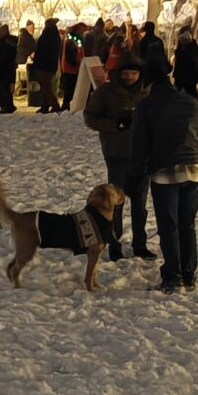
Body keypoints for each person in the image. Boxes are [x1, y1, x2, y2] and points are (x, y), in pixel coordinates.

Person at [131, 58, 198, 293]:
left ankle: (173, 276)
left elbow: (139, 144)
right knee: (188, 223)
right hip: (195, 168)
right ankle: (189, 274)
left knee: (169, 225)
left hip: (165, 170)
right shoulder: (191, 102)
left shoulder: (146, 106)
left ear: (148, 82)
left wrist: (135, 175)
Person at [82, 53, 152, 261]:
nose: (130, 77)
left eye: (134, 73)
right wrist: (113, 126)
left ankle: (140, 243)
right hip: (117, 152)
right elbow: (90, 116)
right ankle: (114, 243)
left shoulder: (147, 92)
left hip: (142, 154)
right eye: (126, 73)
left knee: (140, 203)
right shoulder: (106, 92)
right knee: (116, 202)